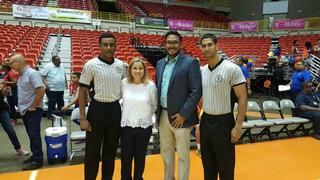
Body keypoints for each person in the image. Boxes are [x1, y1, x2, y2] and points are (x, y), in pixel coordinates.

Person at [78, 32, 127, 180]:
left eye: (112, 44)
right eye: (105, 45)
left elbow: (128, 89)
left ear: (115, 46)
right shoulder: (91, 65)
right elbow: (82, 91)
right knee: (92, 151)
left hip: (114, 110)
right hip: (96, 110)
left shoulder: (121, 66)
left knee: (111, 151)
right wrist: (82, 118)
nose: (109, 47)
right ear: (99, 46)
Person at [199, 33, 247, 180]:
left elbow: (242, 96)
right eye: (203, 46)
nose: (206, 48)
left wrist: (238, 125)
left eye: (209, 45)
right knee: (208, 169)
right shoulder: (201, 71)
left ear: (217, 46)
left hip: (224, 122)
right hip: (206, 121)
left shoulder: (232, 69)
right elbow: (201, 98)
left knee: (226, 169)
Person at [156, 30, 202, 180]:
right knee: (166, 153)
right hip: (163, 115)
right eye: (169, 42)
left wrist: (183, 114)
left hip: (181, 118)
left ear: (181, 44)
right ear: (165, 44)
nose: (172, 45)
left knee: (183, 156)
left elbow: (196, 91)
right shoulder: (160, 63)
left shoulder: (190, 62)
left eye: (175, 42)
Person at [120, 57, 157, 180]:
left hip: (144, 127)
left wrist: (143, 115)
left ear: (144, 70)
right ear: (130, 70)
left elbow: (154, 105)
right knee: (126, 157)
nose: (137, 71)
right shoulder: (124, 83)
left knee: (140, 157)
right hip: (126, 127)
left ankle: (138, 178)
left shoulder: (150, 86)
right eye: (134, 68)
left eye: (140, 68)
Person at [8, 54, 45, 171]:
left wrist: (33, 106)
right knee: (31, 135)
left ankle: (38, 160)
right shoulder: (23, 75)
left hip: (32, 110)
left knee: (34, 135)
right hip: (26, 110)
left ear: (18, 61)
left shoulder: (32, 73)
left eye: (12, 63)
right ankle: (35, 156)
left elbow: (41, 90)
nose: (11, 66)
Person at [0, 79, 29, 156]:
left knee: (10, 130)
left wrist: (4, 91)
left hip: (2, 110)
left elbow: (3, 96)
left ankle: (18, 148)